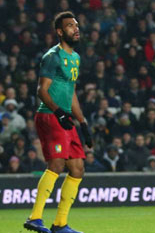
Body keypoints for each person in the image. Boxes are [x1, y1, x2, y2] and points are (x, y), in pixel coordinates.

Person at [24, 12, 92, 233]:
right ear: (60, 32)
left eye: (77, 25)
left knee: (78, 168)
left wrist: (82, 121)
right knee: (56, 164)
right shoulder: (52, 56)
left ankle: (60, 224)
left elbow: (71, 92)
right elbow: (41, 90)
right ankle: (34, 218)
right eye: (70, 26)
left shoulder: (76, 58)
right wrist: (59, 112)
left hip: (65, 117)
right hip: (49, 115)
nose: (76, 28)